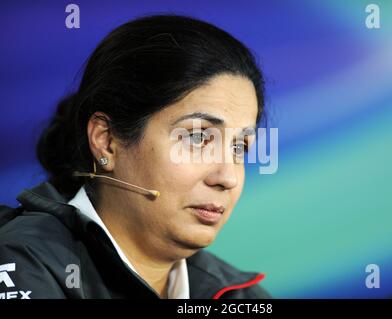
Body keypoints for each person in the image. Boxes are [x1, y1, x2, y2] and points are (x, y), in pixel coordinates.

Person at [0, 14, 271, 299]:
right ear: (106, 142)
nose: (227, 178)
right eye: (197, 137)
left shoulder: (242, 297)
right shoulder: (23, 263)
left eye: (239, 147)